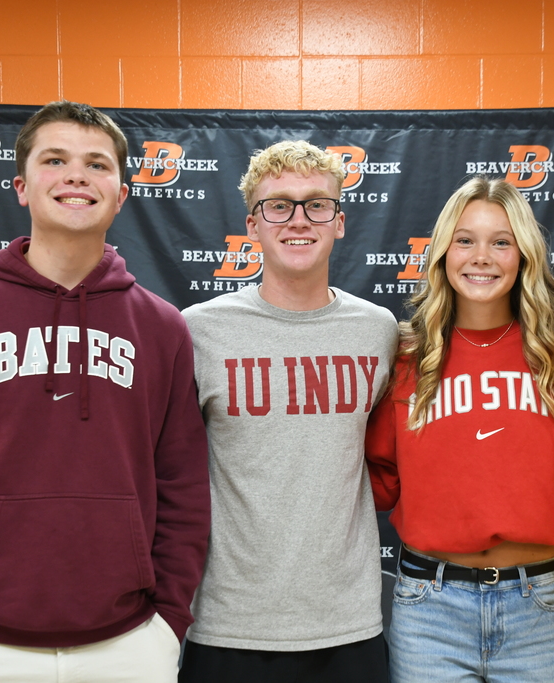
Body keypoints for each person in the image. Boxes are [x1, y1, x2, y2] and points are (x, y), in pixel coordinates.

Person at [0, 101, 210, 683]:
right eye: (55, 160)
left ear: (122, 193)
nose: (77, 175)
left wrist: (167, 624)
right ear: (22, 187)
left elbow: (181, 484)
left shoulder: (161, 327)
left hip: (128, 646)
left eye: (97, 164)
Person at [178, 140, 397, 683]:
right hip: (229, 626)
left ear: (339, 221)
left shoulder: (378, 331)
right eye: (278, 205)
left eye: (316, 204)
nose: (299, 220)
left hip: (347, 624)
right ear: (252, 225)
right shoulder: (199, 330)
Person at [364, 176, 554, 683]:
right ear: (444, 252)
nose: (481, 256)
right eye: (465, 240)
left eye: (501, 241)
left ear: (525, 255)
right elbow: (380, 480)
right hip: (430, 605)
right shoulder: (405, 353)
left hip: (539, 602)